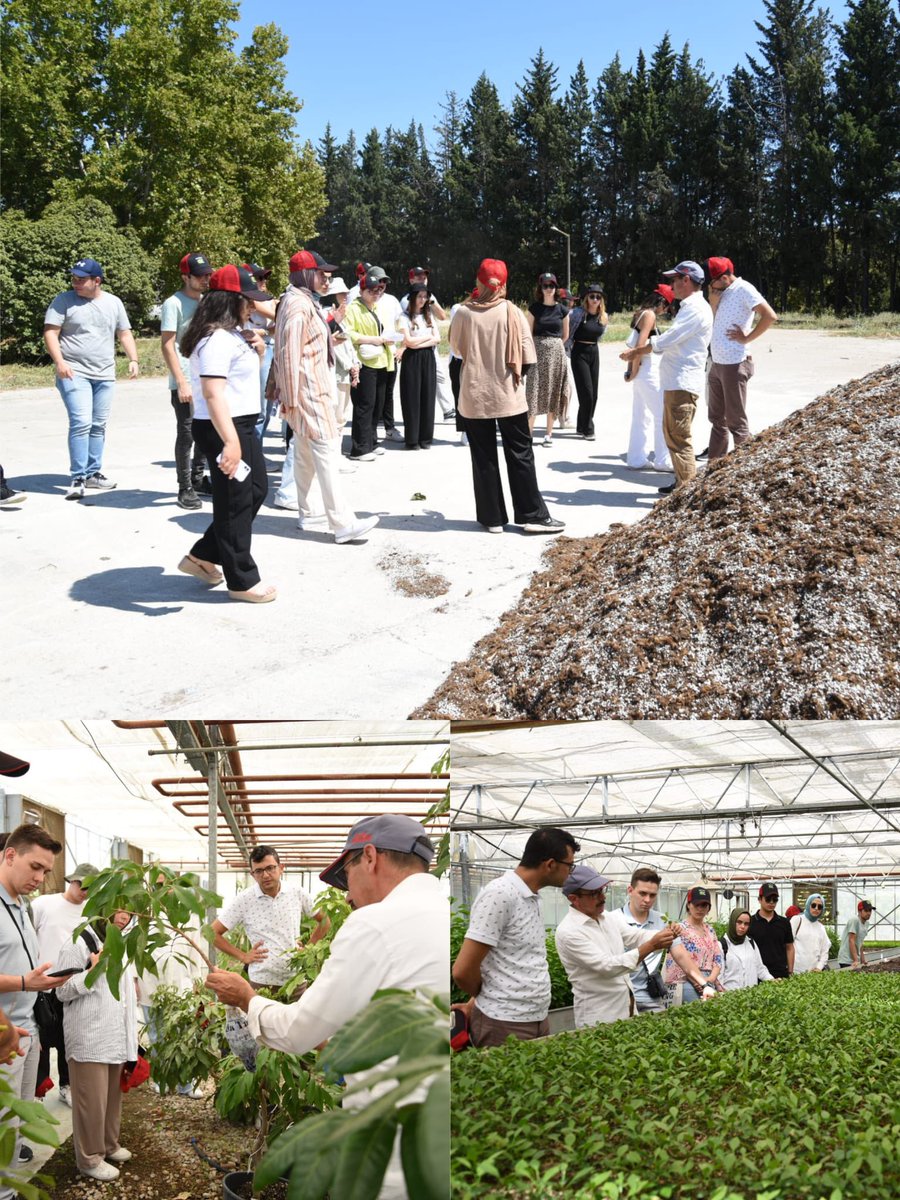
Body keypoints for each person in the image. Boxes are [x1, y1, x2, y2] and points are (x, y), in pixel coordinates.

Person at [205, 815, 447, 1200]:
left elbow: (298, 1030)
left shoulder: (373, 923)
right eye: (258, 871)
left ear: (369, 858)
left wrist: (245, 997)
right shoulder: (443, 912)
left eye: (346, 878)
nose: (348, 896)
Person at [177, 264, 276, 603]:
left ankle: (203, 554)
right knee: (234, 502)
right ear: (228, 300)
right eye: (247, 300)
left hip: (241, 425)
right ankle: (241, 580)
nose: (252, 306)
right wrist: (231, 442)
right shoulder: (216, 339)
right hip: (225, 428)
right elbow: (213, 393)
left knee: (255, 491)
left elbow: (239, 382)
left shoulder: (233, 334)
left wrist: (259, 351)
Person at [449, 259, 564, 535]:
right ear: (504, 284)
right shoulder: (512, 311)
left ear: (478, 282)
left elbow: (456, 350)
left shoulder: (464, 313)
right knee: (521, 453)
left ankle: (492, 518)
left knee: (483, 456)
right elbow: (527, 355)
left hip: (475, 394)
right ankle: (531, 516)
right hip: (508, 393)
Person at [271, 250, 379, 545]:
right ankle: (342, 523)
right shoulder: (297, 305)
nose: (326, 280)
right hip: (308, 391)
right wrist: (291, 398)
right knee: (328, 452)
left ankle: (310, 513)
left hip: (309, 388)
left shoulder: (302, 301)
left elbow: (300, 345)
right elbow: (289, 352)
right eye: (321, 274)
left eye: (328, 275)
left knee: (305, 456)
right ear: (305, 274)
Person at [452, 826, 579, 1048]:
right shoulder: (500, 895)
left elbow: (507, 961)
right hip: (504, 1023)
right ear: (550, 864)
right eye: (570, 865)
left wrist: (475, 1001)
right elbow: (462, 971)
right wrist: (487, 997)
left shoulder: (531, 897)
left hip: (537, 1017)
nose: (571, 871)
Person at [0, 824, 65, 1200]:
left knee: (17, 1120)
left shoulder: (21, 907)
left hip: (27, 1031)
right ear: (10, 856)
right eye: (34, 867)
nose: (40, 879)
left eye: (45, 871)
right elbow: (20, 975)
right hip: (4, 1035)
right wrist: (25, 983)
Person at [43, 258, 140, 500]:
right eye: (73, 278)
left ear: (96, 281)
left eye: (80, 279)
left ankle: (93, 473)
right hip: (73, 372)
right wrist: (60, 362)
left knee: (98, 425)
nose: (75, 282)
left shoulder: (113, 303)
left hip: (104, 374)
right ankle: (77, 477)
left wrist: (134, 358)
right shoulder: (63, 301)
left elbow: (124, 332)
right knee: (81, 422)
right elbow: (51, 333)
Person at [55, 908, 138, 1182]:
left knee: (111, 1099)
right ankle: (89, 1158)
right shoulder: (78, 942)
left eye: (130, 912)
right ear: (103, 907)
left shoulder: (119, 943)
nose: (125, 917)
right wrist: (94, 969)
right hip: (88, 1037)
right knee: (91, 1101)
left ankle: (109, 1145)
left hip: (113, 1035)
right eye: (119, 910)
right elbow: (61, 990)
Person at [620, 261, 713, 495]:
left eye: (674, 280)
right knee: (673, 435)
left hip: (682, 382)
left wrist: (636, 352)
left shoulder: (694, 308)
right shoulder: (691, 306)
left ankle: (687, 492)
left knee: (679, 438)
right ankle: (681, 483)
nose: (672, 286)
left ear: (686, 280)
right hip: (676, 381)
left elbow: (667, 340)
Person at [554, 866, 676, 1027]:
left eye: (602, 890)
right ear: (574, 898)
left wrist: (666, 933)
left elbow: (635, 935)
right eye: (594, 893)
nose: (602, 897)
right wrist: (652, 945)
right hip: (599, 1017)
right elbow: (608, 966)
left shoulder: (607, 918)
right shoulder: (569, 931)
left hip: (627, 1009)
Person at [211, 845, 329, 989]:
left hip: (295, 981)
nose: (265, 875)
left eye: (270, 868)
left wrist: (308, 949)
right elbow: (212, 933)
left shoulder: (297, 893)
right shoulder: (244, 899)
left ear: (281, 868)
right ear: (252, 874)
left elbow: (325, 920)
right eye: (259, 871)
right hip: (261, 983)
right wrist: (243, 956)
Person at [31, 862, 99, 1107]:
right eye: (81, 884)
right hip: (41, 984)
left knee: (66, 1040)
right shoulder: (43, 905)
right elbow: (28, 938)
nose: (84, 891)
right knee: (39, 1041)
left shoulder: (91, 912)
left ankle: (65, 1085)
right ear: (72, 881)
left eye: (91, 887)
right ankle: (37, 1090)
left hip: (72, 986)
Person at [706, 257, 778, 462]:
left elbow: (770, 316)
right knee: (717, 419)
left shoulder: (744, 289)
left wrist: (747, 338)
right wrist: (713, 302)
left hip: (734, 363)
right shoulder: (722, 292)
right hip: (717, 362)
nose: (711, 286)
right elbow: (716, 320)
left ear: (726, 277)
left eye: (714, 281)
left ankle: (743, 468)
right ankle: (714, 468)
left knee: (736, 422)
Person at [160, 252, 214, 510]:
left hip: (205, 376)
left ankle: (198, 478)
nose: (206, 279)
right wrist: (180, 381)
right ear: (186, 276)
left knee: (204, 431)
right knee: (187, 432)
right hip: (185, 378)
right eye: (200, 275)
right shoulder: (174, 303)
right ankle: (185, 488)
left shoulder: (206, 301)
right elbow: (167, 344)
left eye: (208, 275)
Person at [343, 268, 395, 461]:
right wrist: (373, 339)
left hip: (380, 360)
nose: (376, 293)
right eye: (371, 290)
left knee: (377, 404)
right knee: (364, 405)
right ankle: (360, 448)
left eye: (378, 290)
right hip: (364, 362)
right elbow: (348, 333)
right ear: (361, 290)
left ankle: (371, 441)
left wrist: (386, 339)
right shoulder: (353, 308)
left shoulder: (376, 308)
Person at [623, 286, 674, 472]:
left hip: (641, 371)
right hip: (647, 370)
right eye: (667, 305)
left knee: (640, 416)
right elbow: (639, 345)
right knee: (662, 415)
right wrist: (634, 371)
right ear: (660, 301)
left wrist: (631, 371)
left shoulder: (640, 313)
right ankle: (662, 460)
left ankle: (636, 459)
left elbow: (633, 345)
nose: (666, 310)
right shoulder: (650, 315)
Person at [525, 273, 570, 446]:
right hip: (537, 353)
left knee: (554, 391)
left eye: (552, 286)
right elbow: (527, 333)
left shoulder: (563, 310)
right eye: (545, 286)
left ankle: (548, 434)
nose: (549, 289)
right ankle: (528, 434)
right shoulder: (534, 308)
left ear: (556, 288)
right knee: (533, 391)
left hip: (556, 354)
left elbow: (565, 335)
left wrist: (552, 347)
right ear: (540, 288)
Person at [617, 867, 669, 1013]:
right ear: (630, 890)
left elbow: (680, 954)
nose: (647, 900)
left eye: (652, 895)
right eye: (642, 893)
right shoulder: (614, 919)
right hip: (623, 998)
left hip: (652, 997)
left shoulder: (662, 920)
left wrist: (704, 984)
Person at [664, 886, 723, 1005]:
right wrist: (698, 981)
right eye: (697, 905)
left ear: (708, 909)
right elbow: (678, 961)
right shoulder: (679, 929)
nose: (700, 909)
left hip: (709, 979)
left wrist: (709, 980)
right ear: (689, 905)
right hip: (687, 982)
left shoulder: (710, 930)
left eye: (704, 906)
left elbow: (717, 959)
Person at [397, 283, 439, 450]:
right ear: (413, 298)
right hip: (412, 359)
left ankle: (426, 438)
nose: (422, 300)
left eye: (425, 296)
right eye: (419, 296)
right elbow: (408, 342)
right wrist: (426, 339)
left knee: (427, 396)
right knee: (412, 397)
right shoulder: (404, 317)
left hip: (428, 357)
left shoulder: (428, 317)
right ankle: (412, 439)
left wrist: (419, 341)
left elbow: (437, 338)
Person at [565, 283, 608, 442]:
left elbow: (600, 336)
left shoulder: (604, 316)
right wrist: (565, 349)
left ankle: (581, 424)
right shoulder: (576, 314)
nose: (595, 299)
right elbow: (566, 331)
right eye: (592, 296)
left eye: (598, 297)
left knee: (593, 394)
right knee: (587, 393)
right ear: (586, 298)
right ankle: (588, 427)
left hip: (594, 353)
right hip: (579, 353)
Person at [241, 262, 277, 443]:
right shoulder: (252, 299)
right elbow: (278, 317)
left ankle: (257, 453)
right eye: (259, 278)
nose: (264, 281)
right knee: (259, 408)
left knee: (267, 407)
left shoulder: (264, 298)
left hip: (269, 348)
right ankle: (254, 454)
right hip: (256, 350)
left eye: (265, 277)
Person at [719, 909, 775, 991]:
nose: (742, 927)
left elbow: (760, 968)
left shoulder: (751, 942)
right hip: (730, 997)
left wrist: (772, 980)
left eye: (746, 924)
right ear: (732, 922)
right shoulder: (722, 945)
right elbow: (719, 977)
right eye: (739, 922)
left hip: (750, 996)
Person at [749, 883, 795, 978]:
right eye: (768, 899)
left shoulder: (784, 923)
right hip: (757, 975)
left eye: (775, 900)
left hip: (780, 974)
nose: (771, 902)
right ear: (759, 899)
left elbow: (789, 947)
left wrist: (790, 971)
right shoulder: (751, 922)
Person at [790, 893, 831, 974]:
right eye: (813, 905)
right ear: (808, 905)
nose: (816, 908)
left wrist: (819, 967)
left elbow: (825, 950)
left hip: (813, 974)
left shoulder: (821, 927)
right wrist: (789, 970)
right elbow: (787, 945)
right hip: (795, 972)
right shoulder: (797, 920)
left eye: (820, 907)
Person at [838, 900, 874, 968]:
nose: (869, 913)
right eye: (866, 910)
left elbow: (860, 942)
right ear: (860, 911)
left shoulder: (866, 923)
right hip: (846, 960)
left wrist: (862, 959)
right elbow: (851, 940)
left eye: (870, 910)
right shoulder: (854, 920)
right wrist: (856, 960)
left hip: (855, 960)